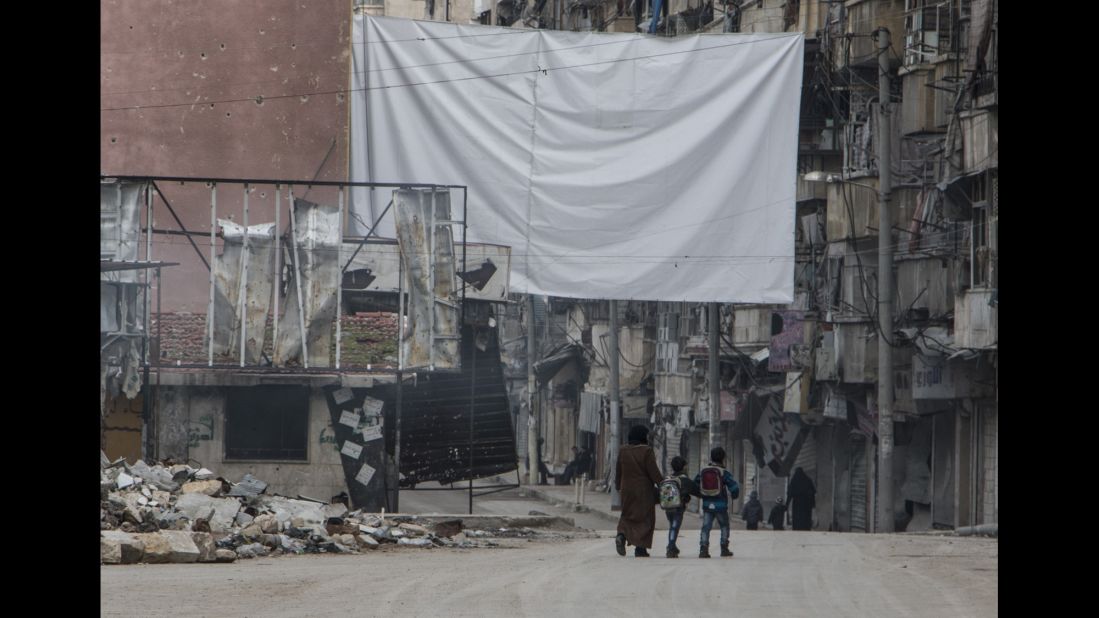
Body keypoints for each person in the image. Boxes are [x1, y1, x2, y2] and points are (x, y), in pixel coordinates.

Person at [614, 425, 664, 558]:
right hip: (643, 490)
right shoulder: (646, 451)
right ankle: (640, 549)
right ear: (642, 436)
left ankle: (622, 535)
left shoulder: (623, 450)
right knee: (645, 518)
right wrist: (663, 485)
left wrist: (618, 486)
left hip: (626, 489)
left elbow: (618, 470)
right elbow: (653, 472)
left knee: (627, 515)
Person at [693, 446, 740, 558]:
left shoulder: (703, 471)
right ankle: (724, 548)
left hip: (707, 504)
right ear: (723, 458)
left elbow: (695, 483)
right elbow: (734, 487)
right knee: (724, 525)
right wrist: (734, 496)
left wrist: (701, 495)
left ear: (711, 457)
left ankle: (703, 549)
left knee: (706, 527)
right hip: (721, 505)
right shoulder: (724, 472)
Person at [660, 455, 699, 558]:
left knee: (672, 526)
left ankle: (673, 546)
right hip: (678, 508)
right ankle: (671, 547)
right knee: (674, 527)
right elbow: (697, 491)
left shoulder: (668, 478)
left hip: (668, 508)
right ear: (683, 467)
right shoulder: (684, 480)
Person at [787, 467, 816, 531]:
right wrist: (813, 504)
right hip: (807, 505)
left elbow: (790, 493)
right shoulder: (808, 480)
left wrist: (787, 504)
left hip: (797, 505)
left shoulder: (794, 480)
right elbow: (812, 493)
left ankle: (797, 530)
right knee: (806, 521)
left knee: (797, 521)